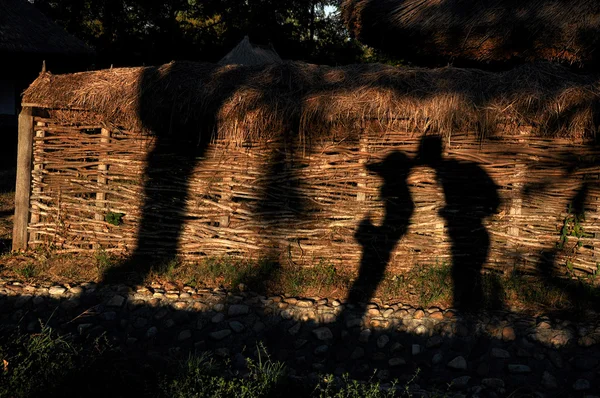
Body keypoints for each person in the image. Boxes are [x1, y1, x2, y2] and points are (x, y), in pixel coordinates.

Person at [417, 136, 500, 311]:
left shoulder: (456, 172)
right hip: (462, 230)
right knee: (464, 269)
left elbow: (492, 203)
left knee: (467, 269)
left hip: (471, 230)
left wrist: (462, 211)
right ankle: (468, 312)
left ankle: (469, 311)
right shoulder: (446, 172)